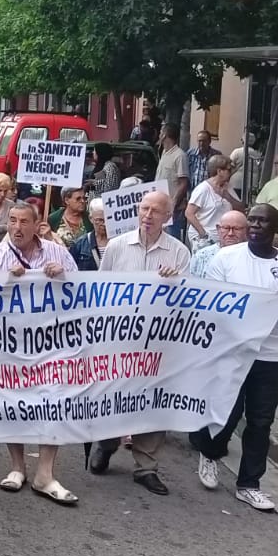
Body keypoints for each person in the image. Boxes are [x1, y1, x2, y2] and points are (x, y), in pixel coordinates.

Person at [193, 203, 278, 511]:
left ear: (275, 227)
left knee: (261, 420)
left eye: (262, 222)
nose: (255, 226)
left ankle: (249, 483)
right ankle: (210, 452)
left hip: (268, 354)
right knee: (226, 411)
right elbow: (210, 303)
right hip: (231, 349)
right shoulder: (225, 258)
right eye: (251, 221)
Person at [0, 201, 79, 505]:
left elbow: (85, 293)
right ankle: (17, 467)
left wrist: (64, 276)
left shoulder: (58, 252)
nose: (17, 227)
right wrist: (3, 282)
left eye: (24, 221)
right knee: (13, 403)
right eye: (12, 221)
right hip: (9, 345)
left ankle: (45, 473)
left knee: (55, 402)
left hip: (51, 343)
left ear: (38, 225)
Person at [90, 191, 189, 496]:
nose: (148, 215)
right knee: (112, 397)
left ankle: (146, 466)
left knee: (152, 403)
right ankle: (106, 444)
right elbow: (99, 290)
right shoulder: (118, 246)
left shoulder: (179, 253)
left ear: (167, 216)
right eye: (144, 208)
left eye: (156, 211)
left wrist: (176, 283)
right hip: (118, 340)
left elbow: (188, 302)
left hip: (158, 345)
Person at [185, 154, 243, 251]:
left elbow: (240, 209)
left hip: (222, 238)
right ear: (219, 171)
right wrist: (204, 235)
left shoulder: (227, 187)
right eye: (229, 170)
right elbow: (189, 213)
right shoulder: (203, 189)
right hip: (205, 238)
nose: (231, 173)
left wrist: (227, 196)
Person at [188, 210, 249, 277]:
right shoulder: (201, 256)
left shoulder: (252, 256)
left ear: (246, 230)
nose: (230, 233)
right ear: (218, 229)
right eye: (226, 228)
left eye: (236, 229)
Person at [157, 126, 190, 239]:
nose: (159, 134)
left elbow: (183, 183)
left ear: (165, 135)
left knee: (172, 239)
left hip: (173, 210)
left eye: (161, 132)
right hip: (161, 206)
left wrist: (173, 204)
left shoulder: (180, 155)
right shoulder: (164, 153)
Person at [69, 199, 111, 271]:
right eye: (99, 220)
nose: (104, 224)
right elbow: (70, 269)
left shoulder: (120, 242)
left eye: (108, 219)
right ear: (91, 219)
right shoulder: (80, 245)